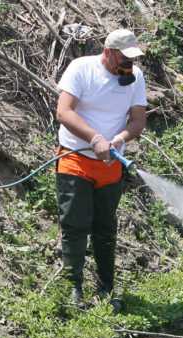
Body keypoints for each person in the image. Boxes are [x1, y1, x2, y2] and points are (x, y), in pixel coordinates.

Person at [55, 28, 147, 307]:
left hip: (110, 165)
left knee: (105, 227)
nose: (129, 65)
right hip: (75, 157)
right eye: (124, 59)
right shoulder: (81, 69)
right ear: (108, 52)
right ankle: (73, 288)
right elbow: (64, 111)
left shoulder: (135, 78)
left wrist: (118, 139)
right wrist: (94, 138)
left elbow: (138, 120)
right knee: (75, 223)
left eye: (133, 59)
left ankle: (106, 288)